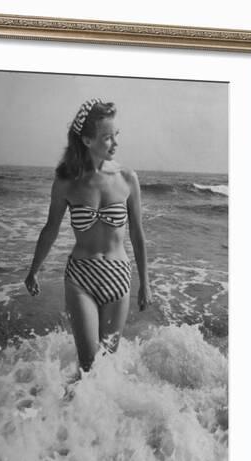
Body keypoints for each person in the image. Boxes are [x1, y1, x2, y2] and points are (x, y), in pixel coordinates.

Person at [25, 98, 152, 377]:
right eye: (107, 138)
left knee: (105, 368)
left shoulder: (127, 178)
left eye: (116, 135)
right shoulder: (66, 180)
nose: (115, 143)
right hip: (81, 278)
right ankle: (63, 414)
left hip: (119, 276)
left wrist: (145, 283)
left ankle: (95, 417)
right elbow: (51, 228)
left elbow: (137, 234)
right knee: (88, 366)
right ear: (87, 140)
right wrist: (33, 270)